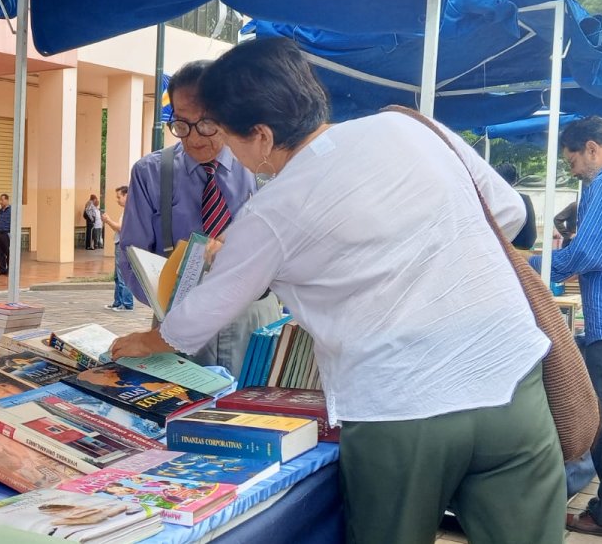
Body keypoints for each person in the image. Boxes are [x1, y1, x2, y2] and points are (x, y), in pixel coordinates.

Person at [111, 39, 564, 544]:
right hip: (512, 380)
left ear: (261, 136)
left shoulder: (272, 210)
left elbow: (202, 313)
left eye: (226, 133)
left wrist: (150, 341)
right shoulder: (411, 127)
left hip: (399, 406)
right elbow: (511, 217)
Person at [115, 60, 280, 374]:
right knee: (176, 413)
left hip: (253, 319)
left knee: (251, 409)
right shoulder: (150, 173)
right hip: (175, 322)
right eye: (181, 124)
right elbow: (130, 254)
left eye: (206, 123)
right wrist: (166, 303)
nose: (192, 137)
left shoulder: (265, 169)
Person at [529, 116, 602, 540]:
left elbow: (589, 253)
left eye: (571, 159)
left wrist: (530, 266)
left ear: (591, 148)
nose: (573, 170)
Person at [101, 186, 134, 311]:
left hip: (123, 244)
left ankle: (126, 303)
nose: (117, 200)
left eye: (119, 197)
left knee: (123, 275)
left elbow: (121, 228)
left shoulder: (129, 211)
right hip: (119, 244)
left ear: (126, 196)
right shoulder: (126, 211)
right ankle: (118, 302)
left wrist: (108, 221)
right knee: (117, 276)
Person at [495, 162, 537, 249]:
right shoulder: (524, 200)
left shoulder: (488, 200)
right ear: (515, 180)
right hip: (519, 253)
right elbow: (531, 235)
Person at [0, 193, 11, 276]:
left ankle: (9, 270)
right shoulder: (0, 210)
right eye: (0, 200)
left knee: (8, 252)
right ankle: (2, 269)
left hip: (6, 233)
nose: (0, 202)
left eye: (2, 200)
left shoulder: (11, 210)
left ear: (7, 200)